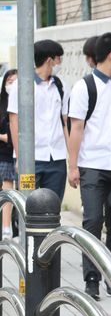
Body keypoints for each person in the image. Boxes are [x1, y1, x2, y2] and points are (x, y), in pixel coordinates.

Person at [67, 32, 111, 301]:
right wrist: (72, 166)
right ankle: (92, 279)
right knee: (93, 220)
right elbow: (76, 128)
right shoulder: (83, 87)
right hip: (92, 166)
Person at [8, 40, 69, 201]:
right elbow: (14, 121)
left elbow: (65, 122)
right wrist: (20, 157)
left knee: (53, 207)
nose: (60, 64)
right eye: (58, 59)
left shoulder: (60, 86)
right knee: (26, 206)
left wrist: (73, 160)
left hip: (56, 158)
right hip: (30, 159)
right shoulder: (21, 85)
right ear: (50, 60)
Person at [0, 69, 17, 240]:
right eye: (9, 81)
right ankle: (6, 228)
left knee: (17, 192)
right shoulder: (1, 104)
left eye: (16, 81)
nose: (12, 84)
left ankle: (13, 227)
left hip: (20, 154)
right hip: (4, 155)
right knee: (7, 188)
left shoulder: (24, 103)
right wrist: (5, 137)